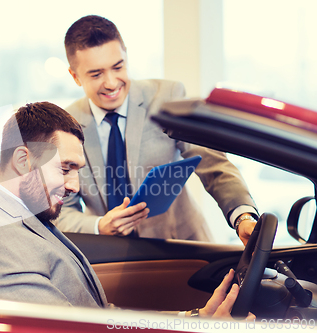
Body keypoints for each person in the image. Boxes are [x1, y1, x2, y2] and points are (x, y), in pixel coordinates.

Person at [0, 101, 251, 319]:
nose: (74, 185)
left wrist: (193, 321)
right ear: (23, 160)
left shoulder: (25, 211)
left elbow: (98, 316)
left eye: (78, 171)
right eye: (65, 169)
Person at [55, 15, 258, 245]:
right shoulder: (65, 125)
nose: (111, 83)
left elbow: (212, 163)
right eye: (96, 74)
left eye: (118, 67)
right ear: (75, 76)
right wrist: (99, 226)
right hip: (111, 255)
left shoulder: (167, 97)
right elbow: (62, 210)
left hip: (181, 244)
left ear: (126, 56)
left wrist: (243, 215)